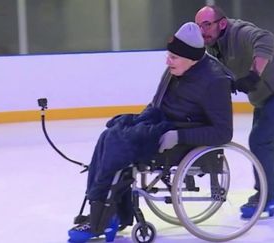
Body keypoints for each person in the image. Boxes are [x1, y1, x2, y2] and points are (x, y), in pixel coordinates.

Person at [68, 22, 234, 243]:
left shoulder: (215, 81)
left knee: (118, 147)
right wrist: (139, 119)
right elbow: (157, 103)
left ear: (191, 59)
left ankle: (102, 218)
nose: (168, 61)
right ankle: (109, 211)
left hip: (179, 137)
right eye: (169, 56)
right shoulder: (176, 70)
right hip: (159, 125)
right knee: (110, 135)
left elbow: (223, 132)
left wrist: (179, 136)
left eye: (173, 58)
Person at [195, 5, 274, 218]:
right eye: (198, 26)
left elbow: (265, 38)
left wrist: (253, 73)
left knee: (260, 140)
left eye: (206, 25)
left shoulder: (239, 32)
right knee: (265, 140)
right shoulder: (212, 46)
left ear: (222, 23)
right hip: (266, 95)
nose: (202, 30)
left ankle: (267, 196)